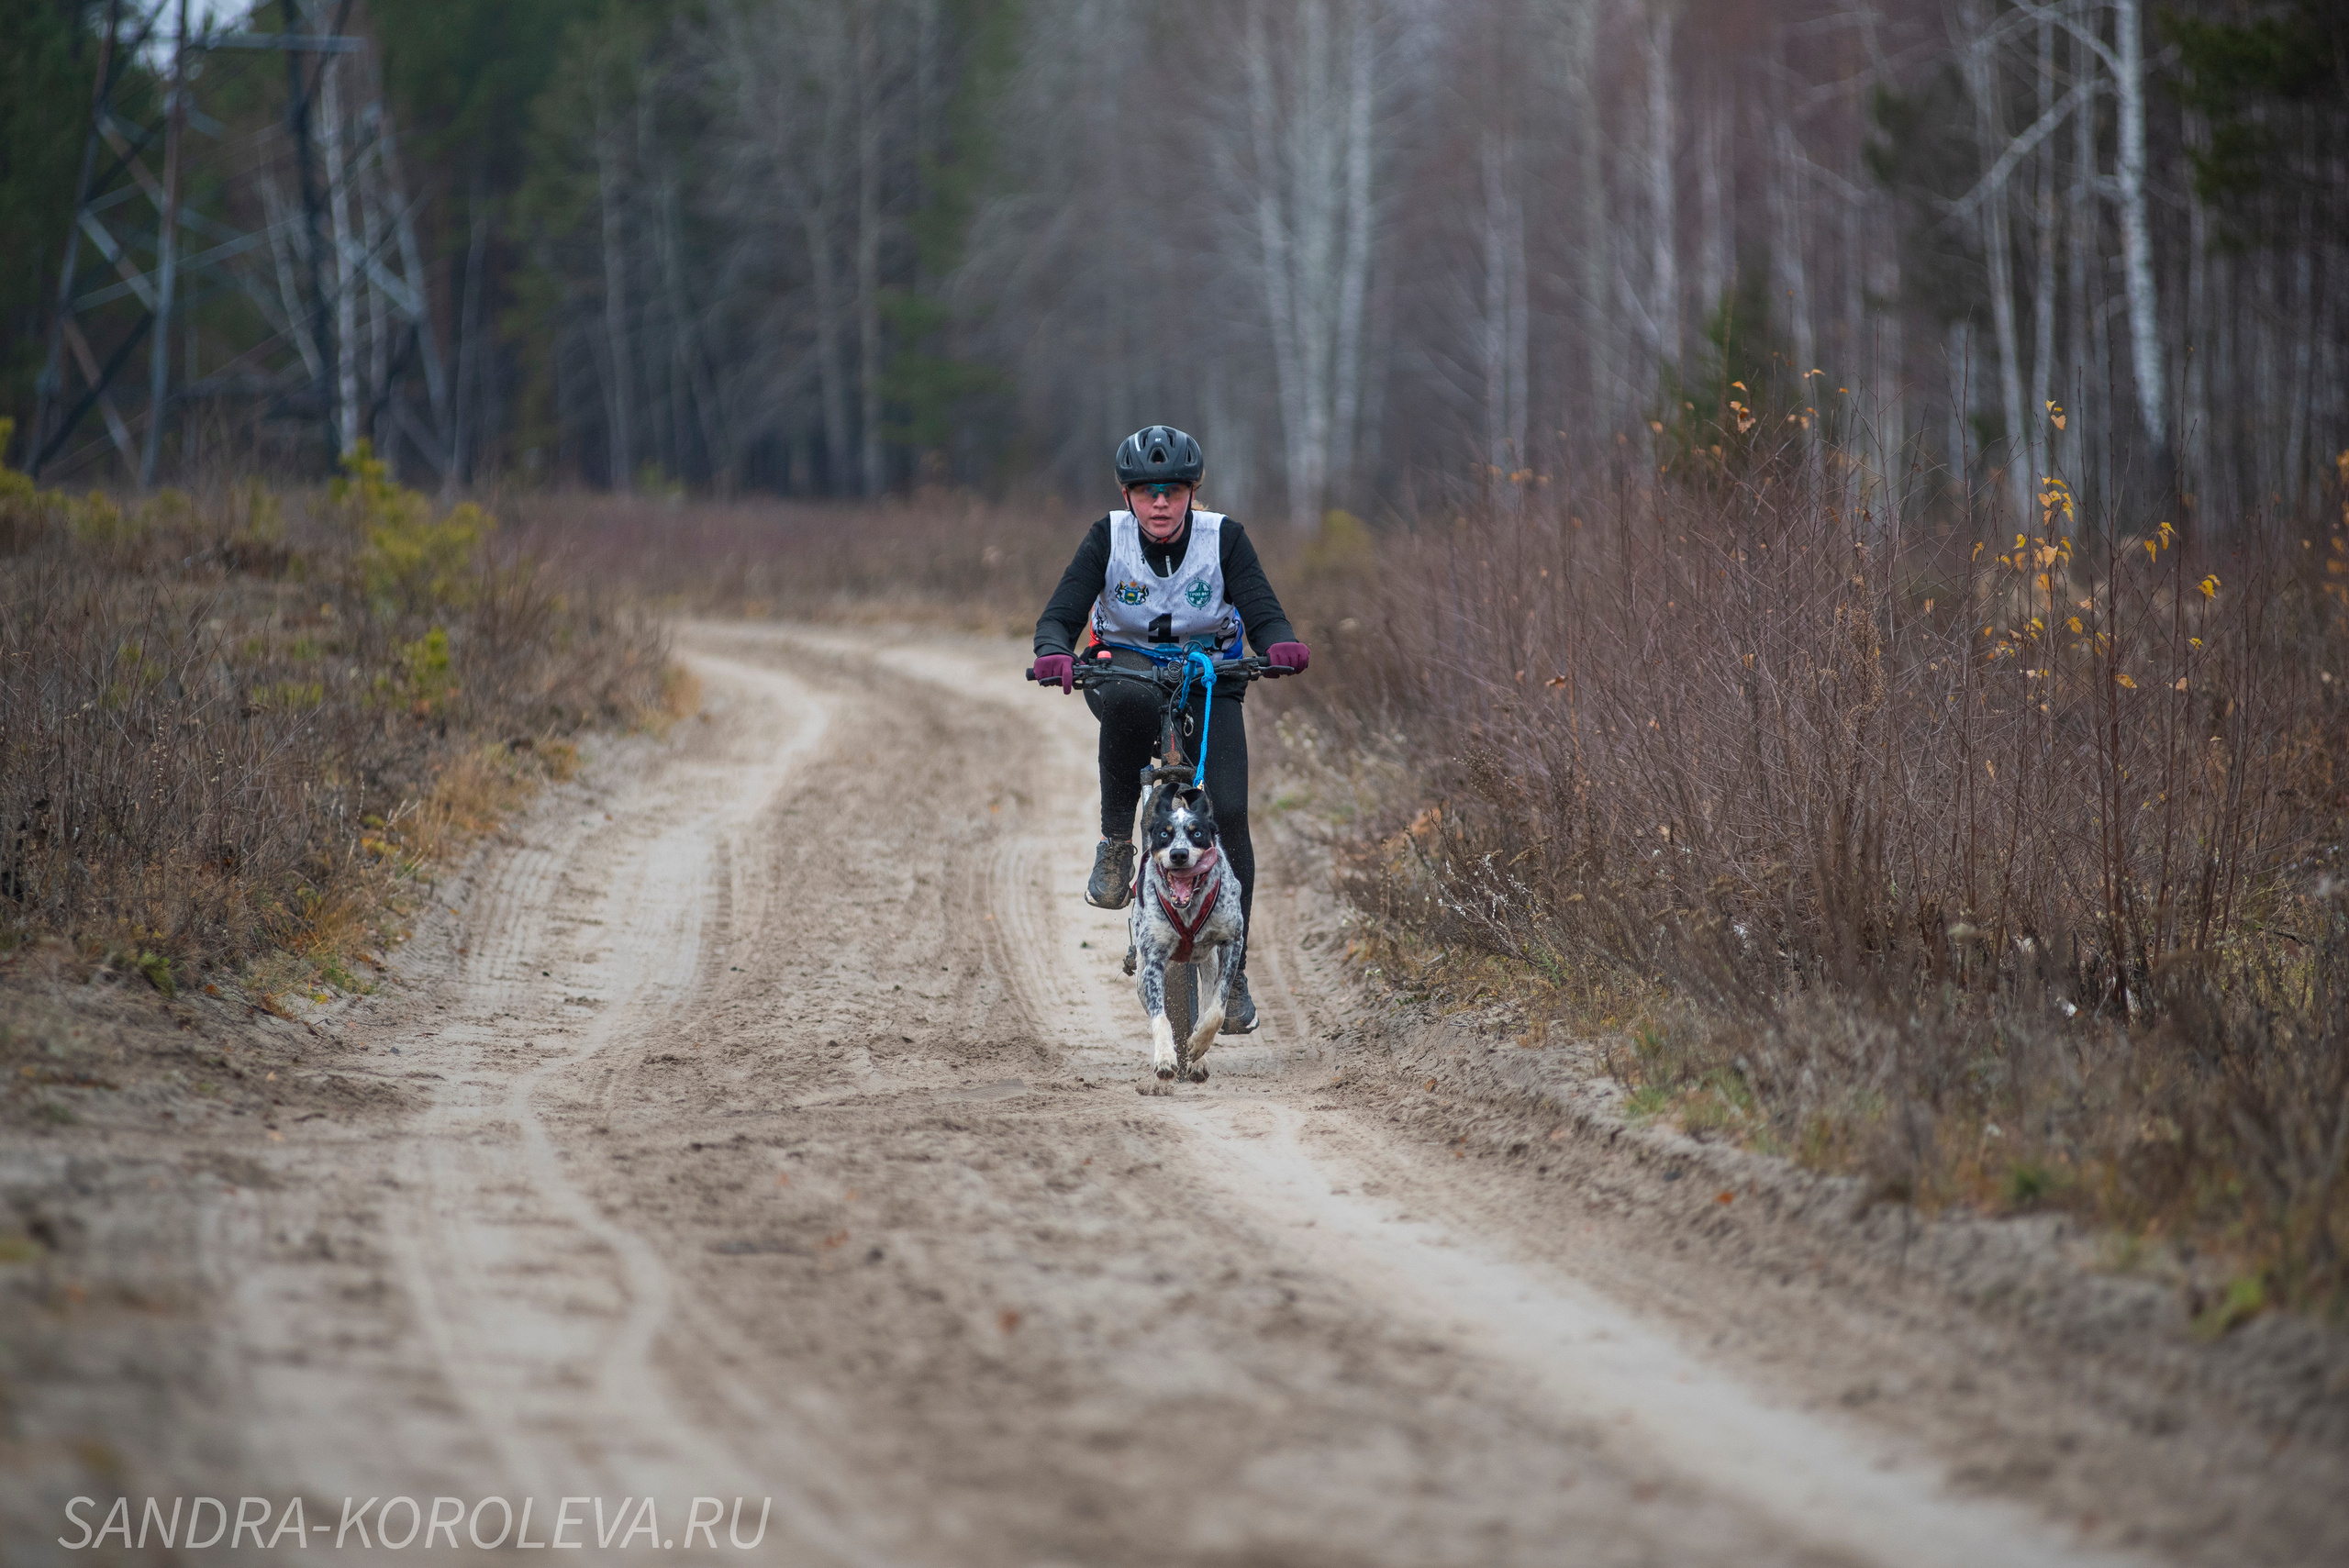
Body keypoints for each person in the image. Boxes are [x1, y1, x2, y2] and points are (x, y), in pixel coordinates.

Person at [1030, 426, 1309, 1034]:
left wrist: (1280, 643)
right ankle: (1115, 844)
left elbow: (1263, 609)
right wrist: (1054, 650)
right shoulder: (1107, 538)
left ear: (1192, 492)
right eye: (1147, 490)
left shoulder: (1224, 539)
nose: (1161, 503)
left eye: (1174, 490)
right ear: (1128, 494)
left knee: (1229, 810)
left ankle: (1232, 973)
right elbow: (1060, 615)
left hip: (1211, 678)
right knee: (1128, 696)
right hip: (1125, 671)